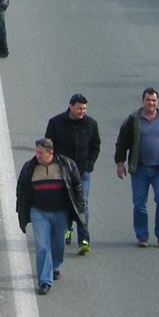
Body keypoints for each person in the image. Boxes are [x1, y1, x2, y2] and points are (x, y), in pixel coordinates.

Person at [15, 138, 86, 295]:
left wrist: (79, 208)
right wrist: (22, 211)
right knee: (42, 246)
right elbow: (21, 190)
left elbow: (77, 186)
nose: (37, 155)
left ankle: (54, 266)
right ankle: (45, 281)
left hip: (60, 212)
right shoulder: (29, 168)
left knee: (57, 245)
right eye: (36, 151)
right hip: (39, 212)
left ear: (50, 153)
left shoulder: (66, 165)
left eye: (40, 152)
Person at [113, 88, 159, 248]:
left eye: (153, 100)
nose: (151, 103)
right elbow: (122, 143)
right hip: (140, 169)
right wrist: (120, 163)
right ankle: (142, 235)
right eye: (148, 100)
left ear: (157, 102)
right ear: (142, 101)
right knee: (139, 204)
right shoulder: (132, 120)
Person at [45, 93, 101, 255]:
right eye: (79, 108)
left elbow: (95, 145)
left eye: (84, 108)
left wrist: (90, 163)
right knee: (64, 203)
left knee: (82, 204)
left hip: (82, 172)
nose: (82, 111)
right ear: (71, 106)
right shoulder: (55, 123)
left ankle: (84, 240)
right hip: (61, 171)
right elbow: (48, 146)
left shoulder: (91, 124)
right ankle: (66, 231)